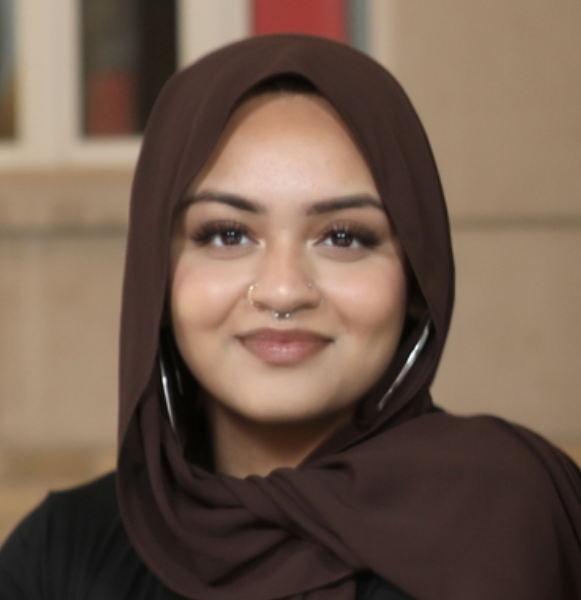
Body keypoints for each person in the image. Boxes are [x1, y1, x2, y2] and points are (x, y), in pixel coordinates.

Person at [1, 34, 580, 600]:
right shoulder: (62, 552)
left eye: (344, 237)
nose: (283, 290)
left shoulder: (507, 520)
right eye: (227, 234)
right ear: (157, 275)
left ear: (416, 279)